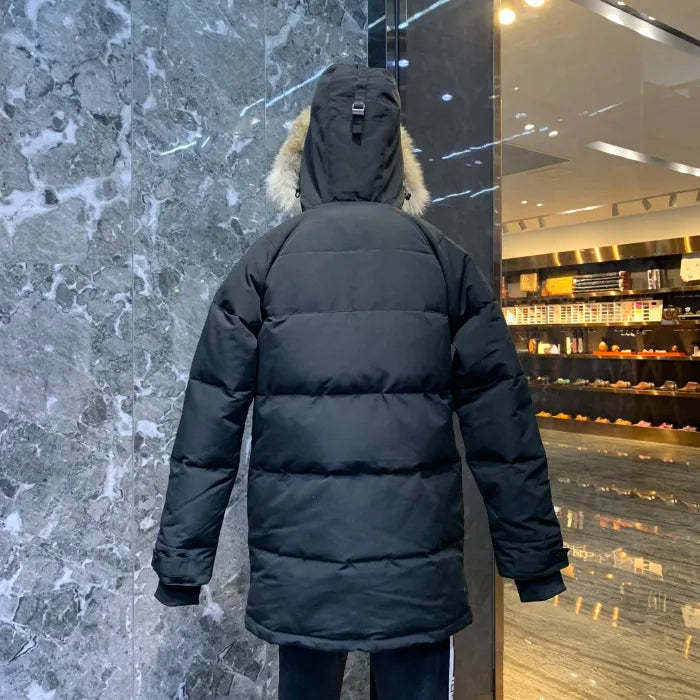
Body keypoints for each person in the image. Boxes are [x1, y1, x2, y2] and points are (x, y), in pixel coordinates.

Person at [151, 62, 570, 700]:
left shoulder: (267, 261)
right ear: (399, 162)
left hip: (303, 555)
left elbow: (211, 419)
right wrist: (532, 559)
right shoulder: (442, 260)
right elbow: (501, 423)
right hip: (415, 561)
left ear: (305, 157)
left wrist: (184, 563)